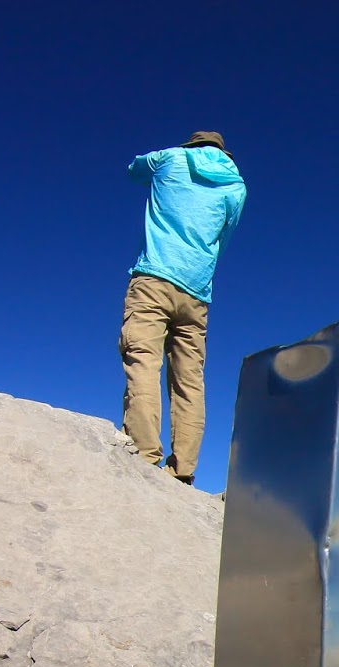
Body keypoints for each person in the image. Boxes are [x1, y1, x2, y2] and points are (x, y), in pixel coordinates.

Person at [119, 131, 246, 485]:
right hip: (197, 293)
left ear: (193, 145)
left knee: (142, 357)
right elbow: (224, 236)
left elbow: (133, 170)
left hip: (154, 276)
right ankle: (184, 469)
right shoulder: (237, 187)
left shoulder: (168, 158)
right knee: (190, 380)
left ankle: (144, 454)